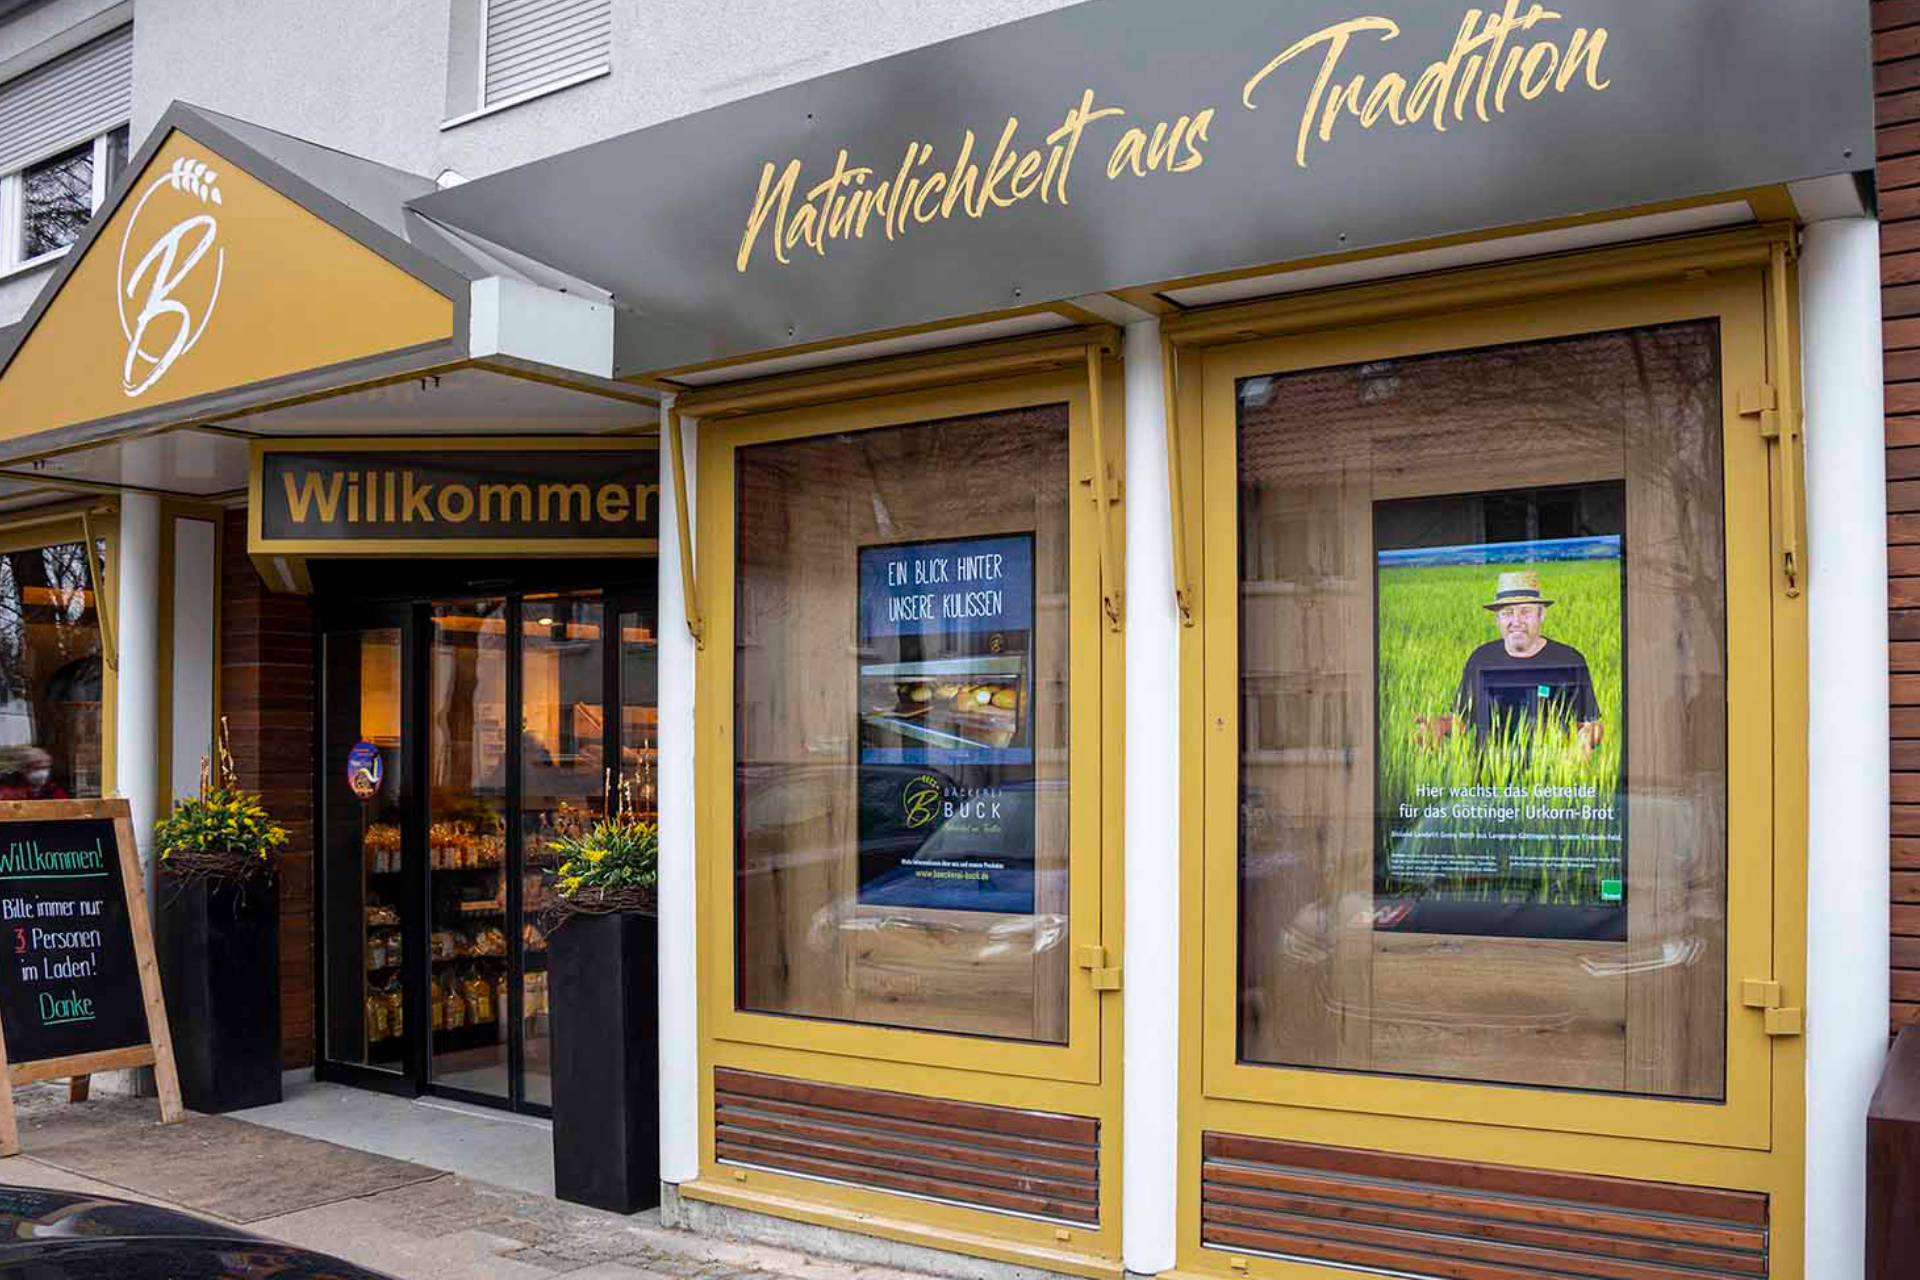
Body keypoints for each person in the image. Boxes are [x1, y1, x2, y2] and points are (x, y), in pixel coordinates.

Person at [1416, 571, 1603, 756]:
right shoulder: (1480, 659)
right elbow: (1463, 722)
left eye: (1525, 611)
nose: (1516, 621)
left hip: (1550, 772)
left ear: (1541, 614)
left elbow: (1592, 724)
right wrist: (1440, 725)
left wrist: (1586, 738)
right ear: (1497, 619)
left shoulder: (1569, 661)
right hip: (1487, 773)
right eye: (1507, 613)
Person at [0, 747, 68, 800]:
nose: (43, 773)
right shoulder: (8, 788)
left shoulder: (54, 790)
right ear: (25, 769)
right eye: (37, 768)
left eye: (46, 768)